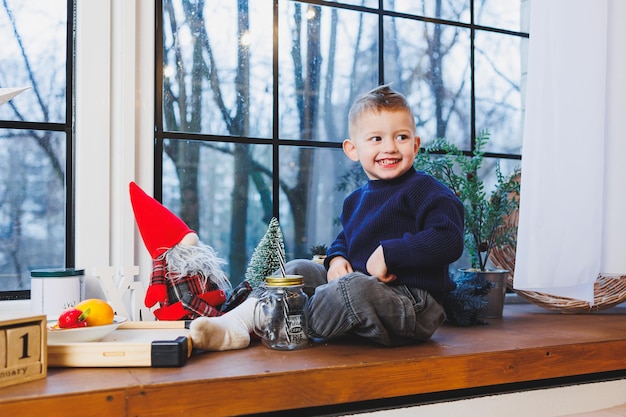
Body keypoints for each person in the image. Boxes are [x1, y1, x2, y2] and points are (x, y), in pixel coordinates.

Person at [190, 85, 464, 350]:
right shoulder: (355, 200)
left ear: (415, 145)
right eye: (376, 138)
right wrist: (337, 259)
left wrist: (392, 253)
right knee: (299, 269)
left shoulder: (427, 191)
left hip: (413, 304)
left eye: (401, 137)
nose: (390, 147)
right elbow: (345, 239)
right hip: (361, 291)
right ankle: (236, 323)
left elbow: (449, 239)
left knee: (351, 288)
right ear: (353, 149)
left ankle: (281, 324)